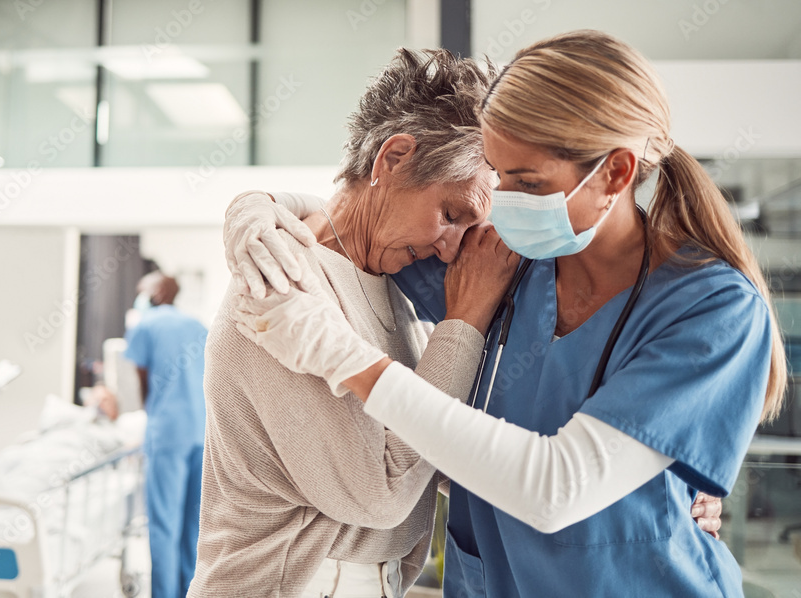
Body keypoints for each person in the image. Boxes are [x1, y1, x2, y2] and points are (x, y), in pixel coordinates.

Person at [231, 31, 783, 596]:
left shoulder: (711, 309)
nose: (503, 200)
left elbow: (556, 488)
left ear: (616, 174)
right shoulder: (504, 263)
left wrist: (345, 360)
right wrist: (257, 210)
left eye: (527, 182)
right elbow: (357, 224)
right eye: (498, 173)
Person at [189, 49, 509, 598]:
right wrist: (465, 320)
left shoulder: (397, 286)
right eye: (452, 214)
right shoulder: (282, 277)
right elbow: (380, 491)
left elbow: (435, 453)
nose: (452, 246)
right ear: (393, 159)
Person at [124, 271, 207, 598]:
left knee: (162, 525)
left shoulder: (145, 325)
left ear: (156, 293)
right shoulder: (199, 326)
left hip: (168, 433)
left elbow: (142, 384)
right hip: (202, 432)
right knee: (193, 527)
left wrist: (153, 411)